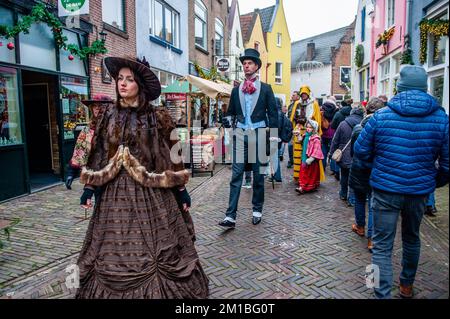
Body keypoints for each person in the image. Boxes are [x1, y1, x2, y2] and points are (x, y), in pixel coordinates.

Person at [75, 56, 209, 299]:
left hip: (152, 192)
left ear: (140, 85)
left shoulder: (157, 117)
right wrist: (90, 188)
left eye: (129, 80)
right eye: (119, 79)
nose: (122, 84)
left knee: (159, 246)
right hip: (115, 195)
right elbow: (100, 153)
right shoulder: (107, 115)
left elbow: (172, 153)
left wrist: (181, 190)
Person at [354, 65, 449, 299]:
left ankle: (379, 292)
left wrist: (375, 169)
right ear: (424, 87)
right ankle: (406, 286)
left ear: (400, 87)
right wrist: (432, 183)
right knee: (412, 238)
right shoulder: (441, 119)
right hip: (418, 192)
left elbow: (360, 151)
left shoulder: (381, 116)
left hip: (385, 190)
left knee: (381, 244)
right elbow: (447, 164)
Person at [219, 48, 278, 229]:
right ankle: (230, 216)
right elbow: (230, 113)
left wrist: (273, 139)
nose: (246, 66)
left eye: (250, 63)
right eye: (244, 63)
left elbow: (274, 115)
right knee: (236, 175)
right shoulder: (236, 90)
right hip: (240, 135)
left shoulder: (266, 89)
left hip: (259, 134)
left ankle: (257, 210)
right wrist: (227, 121)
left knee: (258, 176)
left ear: (257, 66)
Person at [348, 97, 385, 251]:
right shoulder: (383, 129)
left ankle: (360, 226)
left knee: (359, 199)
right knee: (372, 204)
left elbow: (352, 152)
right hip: (375, 170)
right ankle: (371, 239)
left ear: (367, 109)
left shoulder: (358, 128)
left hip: (358, 169)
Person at [65, 94, 114, 191]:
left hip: (115, 176)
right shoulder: (88, 130)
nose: (97, 109)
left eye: (100, 106)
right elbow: (80, 152)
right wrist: (71, 173)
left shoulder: (117, 128)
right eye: (94, 106)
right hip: (95, 175)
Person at [329, 106, 364, 205]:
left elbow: (335, 140)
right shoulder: (364, 124)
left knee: (344, 175)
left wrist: (331, 153)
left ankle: (343, 194)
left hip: (344, 154)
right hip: (357, 155)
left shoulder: (343, 124)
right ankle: (352, 199)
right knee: (354, 178)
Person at [289, 86, 324, 181]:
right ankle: (298, 177)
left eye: (305, 94)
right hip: (299, 131)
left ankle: (309, 178)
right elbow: (292, 118)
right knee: (297, 155)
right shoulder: (297, 103)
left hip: (310, 133)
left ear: (308, 94)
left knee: (309, 154)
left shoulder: (314, 104)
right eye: (302, 94)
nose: (303, 96)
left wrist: (315, 132)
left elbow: (317, 120)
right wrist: (294, 128)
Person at [295, 119, 324, 194]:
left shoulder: (316, 138)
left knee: (309, 173)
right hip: (304, 157)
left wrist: (311, 158)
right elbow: (301, 141)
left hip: (310, 159)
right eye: (307, 127)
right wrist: (298, 135)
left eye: (310, 127)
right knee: (305, 172)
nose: (308, 129)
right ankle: (305, 186)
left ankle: (303, 187)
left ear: (314, 129)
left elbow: (317, 150)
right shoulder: (305, 135)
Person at [320, 100, 338, 174]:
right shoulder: (335, 112)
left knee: (323, 151)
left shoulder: (322, 112)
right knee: (332, 151)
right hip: (332, 134)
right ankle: (333, 168)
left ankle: (323, 167)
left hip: (324, 134)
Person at [286, 91, 300, 168]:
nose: (292, 96)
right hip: (291, 128)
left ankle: (297, 160)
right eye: (292, 95)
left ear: (298, 96)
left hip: (298, 127)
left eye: (294, 95)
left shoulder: (300, 104)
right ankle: (291, 160)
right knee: (290, 145)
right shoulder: (291, 105)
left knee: (297, 145)